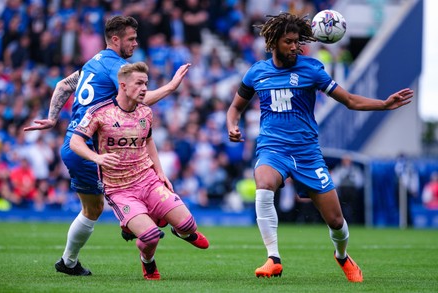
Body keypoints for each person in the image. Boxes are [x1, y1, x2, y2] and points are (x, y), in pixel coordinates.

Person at [226, 12, 413, 282]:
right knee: (263, 184)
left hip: (307, 153)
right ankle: (273, 258)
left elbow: (349, 100)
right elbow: (235, 108)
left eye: (297, 42)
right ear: (274, 42)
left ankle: (342, 256)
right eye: (289, 42)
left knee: (336, 221)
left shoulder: (311, 69)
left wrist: (383, 104)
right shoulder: (257, 72)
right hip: (273, 148)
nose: (294, 47)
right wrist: (232, 125)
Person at [23, 15, 191, 276]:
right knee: (119, 194)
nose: (136, 43)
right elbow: (140, 99)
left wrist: (53, 117)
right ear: (115, 39)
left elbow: (62, 85)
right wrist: (171, 86)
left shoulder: (94, 61)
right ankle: (129, 227)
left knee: (93, 209)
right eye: (131, 39)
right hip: (89, 147)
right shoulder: (116, 65)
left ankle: (69, 262)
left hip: (75, 143)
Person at [70, 61, 209, 280]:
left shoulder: (145, 112)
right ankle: (148, 262)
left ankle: (179, 229)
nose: (144, 88)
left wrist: (160, 172)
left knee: (188, 225)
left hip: (148, 180)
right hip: (119, 188)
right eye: (139, 83)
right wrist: (97, 157)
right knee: (151, 236)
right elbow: (75, 142)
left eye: (146, 83)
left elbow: (149, 140)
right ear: (123, 86)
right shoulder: (99, 112)